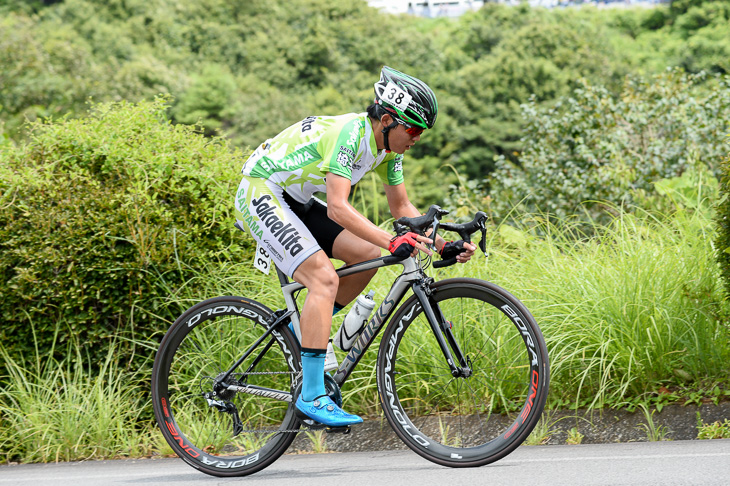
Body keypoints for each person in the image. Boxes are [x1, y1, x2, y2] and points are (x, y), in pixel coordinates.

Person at [234, 66, 476, 427]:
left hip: (294, 197)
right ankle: (312, 395)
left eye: (421, 132)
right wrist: (394, 239)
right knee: (323, 278)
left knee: (367, 254)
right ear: (388, 121)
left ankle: (315, 335)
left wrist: (442, 245)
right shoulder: (351, 134)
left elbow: (402, 209)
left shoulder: (389, 152)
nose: (417, 138)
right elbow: (338, 207)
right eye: (412, 129)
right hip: (261, 190)